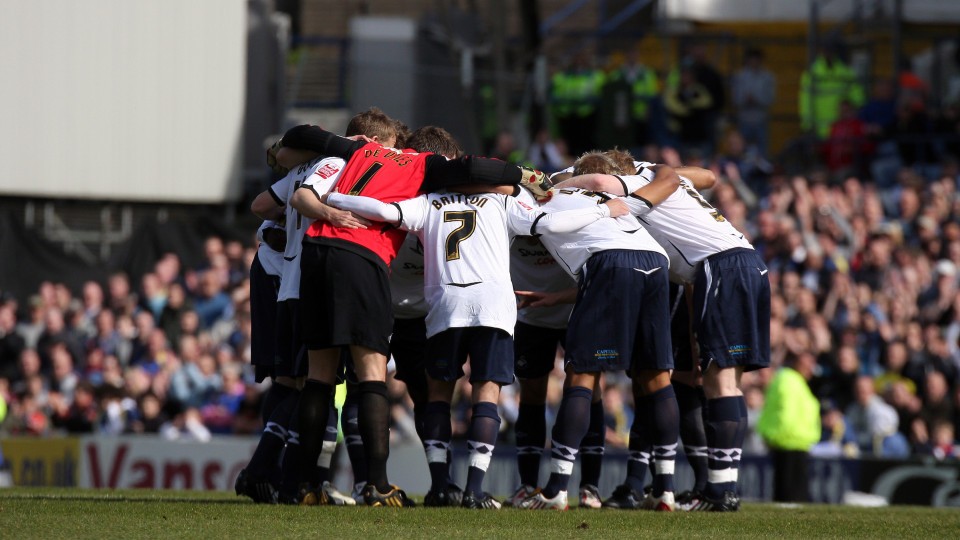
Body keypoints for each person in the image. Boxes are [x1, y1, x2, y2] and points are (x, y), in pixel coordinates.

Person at [321, 147, 629, 509]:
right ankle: (475, 490)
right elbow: (546, 223)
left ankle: (440, 486)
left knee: (438, 396)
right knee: (486, 393)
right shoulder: (502, 201)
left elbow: (384, 211)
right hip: (493, 307)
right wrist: (604, 210)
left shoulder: (428, 202)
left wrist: (335, 198)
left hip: (446, 305)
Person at [280, 119, 542, 507]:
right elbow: (477, 170)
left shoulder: (363, 152)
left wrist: (335, 150)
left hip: (323, 256)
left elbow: (298, 141)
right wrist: (526, 176)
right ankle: (376, 484)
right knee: (371, 378)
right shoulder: (426, 174)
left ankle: (307, 484)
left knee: (324, 377)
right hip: (370, 267)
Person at [559, 150, 770, 512]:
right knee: (729, 382)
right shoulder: (658, 175)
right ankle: (724, 488)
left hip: (719, 268)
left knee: (718, 383)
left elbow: (598, 180)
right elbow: (708, 176)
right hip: (749, 262)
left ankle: (717, 492)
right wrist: (661, 169)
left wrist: (555, 183)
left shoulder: (636, 182)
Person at [515, 163, 682, 511]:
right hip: (656, 262)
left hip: (608, 261)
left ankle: (556, 489)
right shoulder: (607, 195)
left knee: (582, 377)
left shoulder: (544, 198)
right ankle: (665, 489)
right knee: (657, 378)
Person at [757, 351, 821, 502]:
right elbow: (786, 412)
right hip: (790, 443)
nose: (811, 368)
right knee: (790, 493)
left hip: (794, 442)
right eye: (807, 364)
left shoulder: (792, 381)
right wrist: (780, 435)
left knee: (789, 491)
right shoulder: (789, 381)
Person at [799, 44, 866, 139]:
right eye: (826, 51)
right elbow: (806, 101)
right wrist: (807, 126)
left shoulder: (846, 72)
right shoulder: (812, 74)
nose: (828, 54)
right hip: (819, 131)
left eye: (831, 51)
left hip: (841, 131)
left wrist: (858, 113)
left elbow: (858, 98)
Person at [731, 48, 775, 157]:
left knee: (762, 152)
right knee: (741, 151)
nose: (754, 62)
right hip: (744, 120)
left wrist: (757, 99)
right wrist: (745, 99)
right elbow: (735, 99)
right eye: (752, 59)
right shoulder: (740, 76)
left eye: (756, 59)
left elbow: (770, 98)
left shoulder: (767, 77)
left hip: (761, 119)